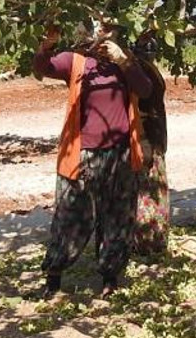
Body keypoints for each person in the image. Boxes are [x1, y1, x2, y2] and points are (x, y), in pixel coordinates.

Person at [32, 19, 153, 299]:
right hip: (81, 155)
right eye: (100, 28)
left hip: (120, 154)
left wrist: (124, 61)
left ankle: (110, 279)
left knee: (117, 217)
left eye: (110, 29)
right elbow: (42, 68)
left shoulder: (126, 63)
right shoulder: (75, 61)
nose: (104, 34)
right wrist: (46, 45)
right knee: (71, 217)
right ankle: (53, 279)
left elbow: (145, 90)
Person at [129, 30, 170, 255]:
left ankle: (152, 241)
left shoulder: (145, 69)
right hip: (146, 137)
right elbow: (136, 107)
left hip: (154, 136)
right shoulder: (138, 72)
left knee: (152, 188)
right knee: (147, 190)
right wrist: (142, 138)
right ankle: (147, 242)